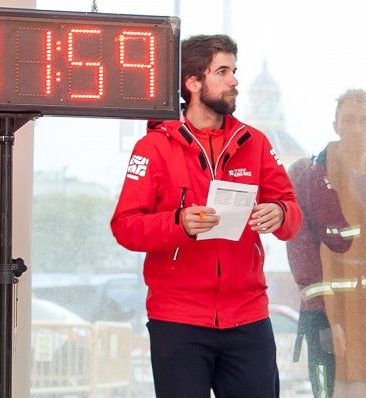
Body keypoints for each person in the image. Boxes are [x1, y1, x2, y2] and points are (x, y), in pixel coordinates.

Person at [110, 34, 303, 398]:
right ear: (193, 82)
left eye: (234, 71)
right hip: (178, 320)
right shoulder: (152, 147)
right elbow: (125, 226)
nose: (234, 81)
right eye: (223, 72)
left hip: (247, 317)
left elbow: (293, 215)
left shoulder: (255, 142)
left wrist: (279, 212)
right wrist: (178, 223)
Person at [287, 89, 366, 397]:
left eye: (365, 120)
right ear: (336, 125)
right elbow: (301, 253)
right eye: (349, 120)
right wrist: (322, 319)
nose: (357, 128)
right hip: (330, 318)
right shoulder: (309, 175)